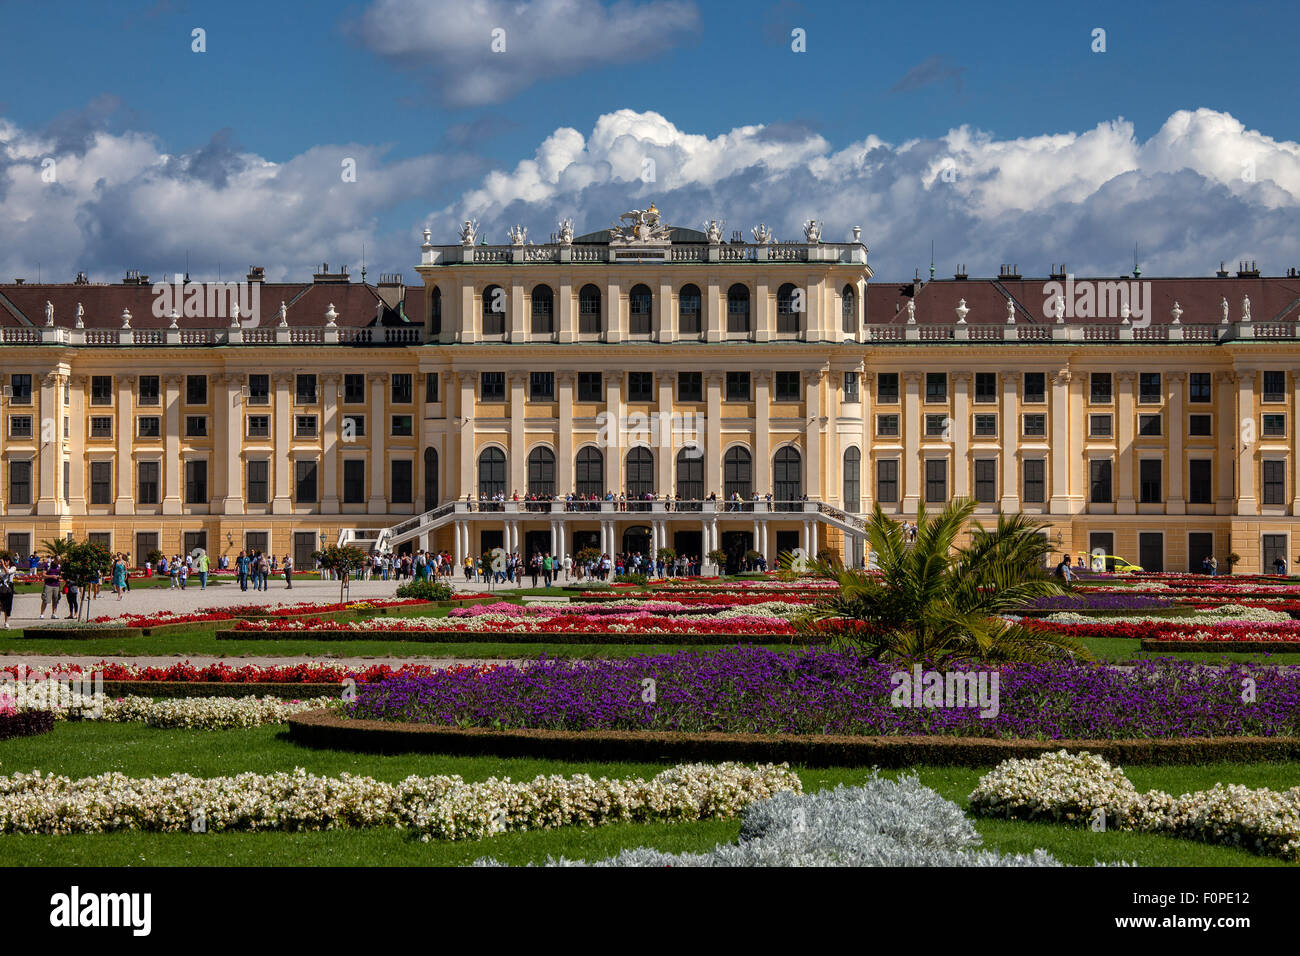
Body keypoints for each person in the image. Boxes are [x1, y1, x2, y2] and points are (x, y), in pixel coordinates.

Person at [0, 556, 15, 628]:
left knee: (8, 606)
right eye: (4, 561)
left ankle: (6, 622)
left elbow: (8, 572)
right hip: (1, 587)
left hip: (9, 588)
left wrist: (3, 565)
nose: (5, 562)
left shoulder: (13, 567)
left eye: (6, 561)